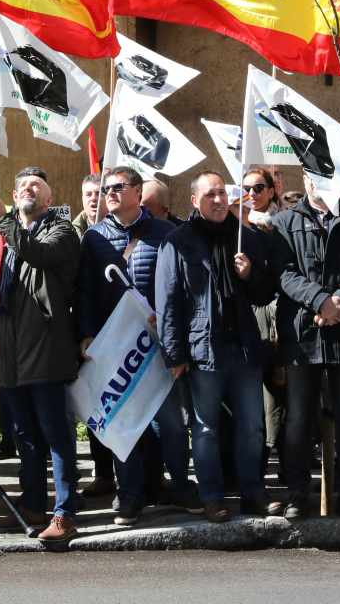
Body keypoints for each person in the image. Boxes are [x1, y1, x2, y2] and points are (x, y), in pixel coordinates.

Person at [156, 171, 284, 523]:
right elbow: (168, 301)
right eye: (210, 195)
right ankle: (212, 496)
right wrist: (174, 354)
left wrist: (250, 275)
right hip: (202, 350)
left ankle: (253, 493)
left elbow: (265, 292)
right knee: (206, 428)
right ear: (195, 201)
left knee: (252, 426)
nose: (218, 200)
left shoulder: (247, 237)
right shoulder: (177, 241)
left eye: (222, 194)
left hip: (243, 348)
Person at [77, 166, 192, 525]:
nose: (109, 192)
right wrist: (86, 334)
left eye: (118, 187)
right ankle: (129, 495)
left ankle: (179, 486)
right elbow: (84, 293)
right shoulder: (94, 237)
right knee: (124, 423)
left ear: (138, 192)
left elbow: (180, 289)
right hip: (115, 348)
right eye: (106, 187)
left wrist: (175, 337)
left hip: (158, 344)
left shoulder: (166, 233)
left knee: (171, 422)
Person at [0, 167, 82, 542]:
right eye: (22, 184)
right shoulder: (10, 239)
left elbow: (36, 255)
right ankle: (33, 505)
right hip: (13, 353)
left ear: (49, 198)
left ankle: (65, 512)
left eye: (36, 185)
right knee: (26, 436)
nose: (28, 188)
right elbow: (17, 282)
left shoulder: (61, 230)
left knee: (56, 434)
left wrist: (2, 221)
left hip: (46, 350)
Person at [271, 175, 340, 522]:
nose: (322, 183)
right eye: (315, 177)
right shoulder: (285, 221)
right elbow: (284, 273)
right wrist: (319, 302)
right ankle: (297, 493)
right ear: (305, 180)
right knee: (299, 419)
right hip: (303, 336)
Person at [71, 173, 101, 237]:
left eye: (98, 194)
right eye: (88, 194)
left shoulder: (122, 228)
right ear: (83, 199)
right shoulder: (71, 233)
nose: (93, 198)